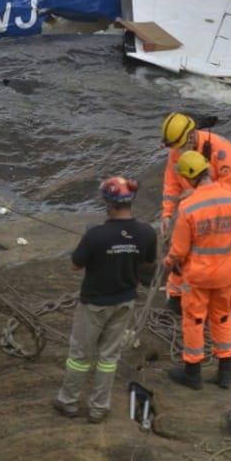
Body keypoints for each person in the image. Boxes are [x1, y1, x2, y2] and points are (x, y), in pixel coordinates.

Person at [53, 176, 159, 423]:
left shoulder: (96, 235)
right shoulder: (146, 232)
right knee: (109, 357)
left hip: (94, 304)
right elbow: (148, 262)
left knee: (80, 355)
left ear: (109, 203)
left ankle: (68, 402)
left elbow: (74, 265)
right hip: (125, 302)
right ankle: (99, 408)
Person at [164, 150, 231, 391]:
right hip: (227, 275)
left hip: (197, 278)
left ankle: (192, 373)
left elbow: (179, 250)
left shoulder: (188, 207)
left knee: (193, 321)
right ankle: (225, 373)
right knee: (223, 318)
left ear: (188, 178)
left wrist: (169, 262)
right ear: (207, 170)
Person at [160, 111, 231, 310]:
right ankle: (176, 296)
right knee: (181, 254)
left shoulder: (220, 148)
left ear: (191, 136)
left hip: (221, 211)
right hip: (191, 212)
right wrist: (167, 214)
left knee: (212, 257)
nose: (177, 152)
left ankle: (212, 299)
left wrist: (198, 195)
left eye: (179, 147)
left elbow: (229, 189)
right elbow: (172, 185)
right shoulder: (177, 150)